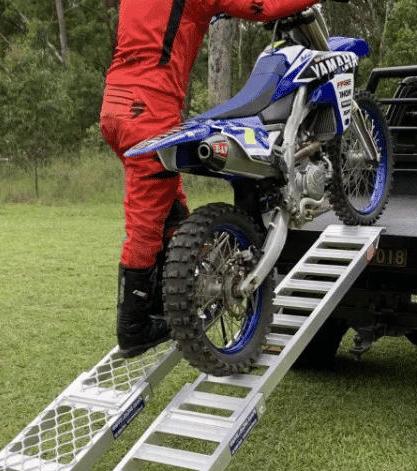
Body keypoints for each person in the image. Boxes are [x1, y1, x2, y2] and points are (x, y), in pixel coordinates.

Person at [101, 0, 343, 358]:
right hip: (149, 108)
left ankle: (165, 301)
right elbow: (260, 6)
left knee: (171, 212)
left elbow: (171, 22)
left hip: (116, 104)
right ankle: (134, 328)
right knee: (145, 225)